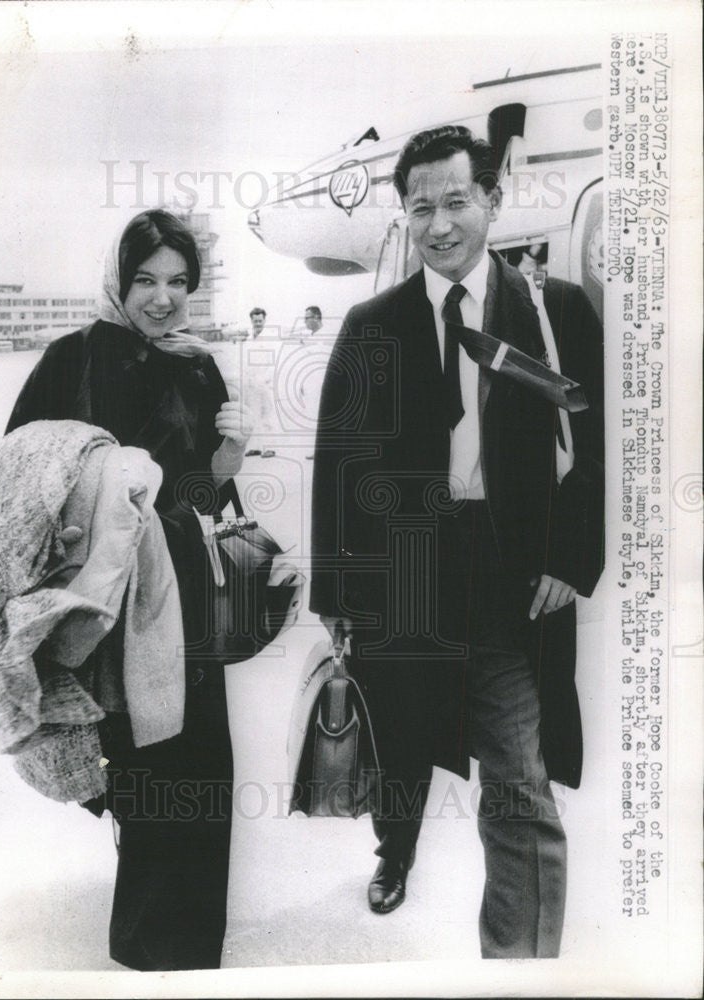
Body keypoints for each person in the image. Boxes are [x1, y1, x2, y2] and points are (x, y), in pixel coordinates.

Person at [310, 125, 604, 958]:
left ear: (492, 200)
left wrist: (570, 562)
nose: (440, 224)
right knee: (399, 749)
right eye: (421, 207)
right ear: (404, 216)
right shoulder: (372, 326)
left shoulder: (556, 313)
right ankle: (393, 850)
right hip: (403, 585)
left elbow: (597, 451)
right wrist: (337, 598)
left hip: (508, 581)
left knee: (517, 782)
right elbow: (340, 466)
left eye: (457, 201)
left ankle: (518, 966)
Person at [6, 208, 254, 971]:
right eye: (145, 279)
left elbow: (208, 501)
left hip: (188, 598)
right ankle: (147, 958)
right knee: (146, 771)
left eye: (178, 282)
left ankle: (195, 961)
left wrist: (233, 451)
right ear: (116, 278)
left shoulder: (197, 366)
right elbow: (21, 488)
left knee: (204, 769)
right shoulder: (69, 359)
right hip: (111, 606)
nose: (161, 298)